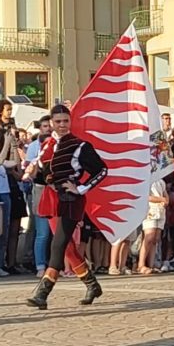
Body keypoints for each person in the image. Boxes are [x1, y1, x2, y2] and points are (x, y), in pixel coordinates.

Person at [22, 104, 106, 310]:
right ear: (51, 123)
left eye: (65, 121)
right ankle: (92, 284)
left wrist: (81, 188)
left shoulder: (80, 146)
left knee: (58, 244)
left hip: (70, 200)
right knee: (66, 246)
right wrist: (33, 172)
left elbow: (102, 170)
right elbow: (43, 176)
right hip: (51, 199)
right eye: (58, 121)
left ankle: (43, 292)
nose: (62, 125)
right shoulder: (47, 145)